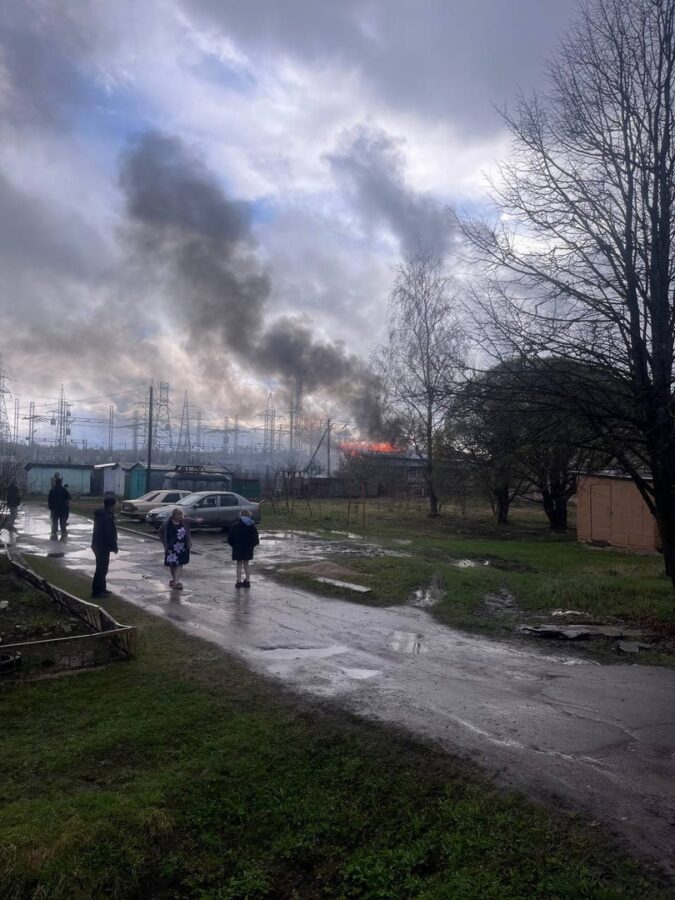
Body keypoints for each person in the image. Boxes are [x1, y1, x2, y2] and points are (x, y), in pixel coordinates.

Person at [91, 496, 118, 598]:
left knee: (102, 568)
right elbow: (109, 534)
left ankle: (102, 588)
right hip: (102, 546)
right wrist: (114, 547)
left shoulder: (103, 514)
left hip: (98, 545)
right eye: (115, 504)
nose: (115, 506)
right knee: (101, 569)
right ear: (112, 505)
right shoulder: (106, 517)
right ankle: (97, 592)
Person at [158, 508, 191, 590]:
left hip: (182, 547)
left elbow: (191, 523)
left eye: (181, 515)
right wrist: (164, 542)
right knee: (172, 564)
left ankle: (176, 582)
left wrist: (198, 520)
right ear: (174, 516)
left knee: (180, 563)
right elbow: (160, 532)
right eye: (179, 515)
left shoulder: (184, 522)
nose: (181, 517)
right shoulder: (167, 524)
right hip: (171, 548)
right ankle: (174, 579)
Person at [227, 508, 259, 588]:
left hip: (238, 548)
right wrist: (252, 545)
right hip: (248, 548)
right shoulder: (252, 526)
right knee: (246, 564)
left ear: (240, 515)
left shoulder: (235, 525)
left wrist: (234, 545)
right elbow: (255, 538)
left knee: (239, 564)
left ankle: (238, 581)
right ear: (249, 515)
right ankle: (247, 581)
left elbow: (230, 538)